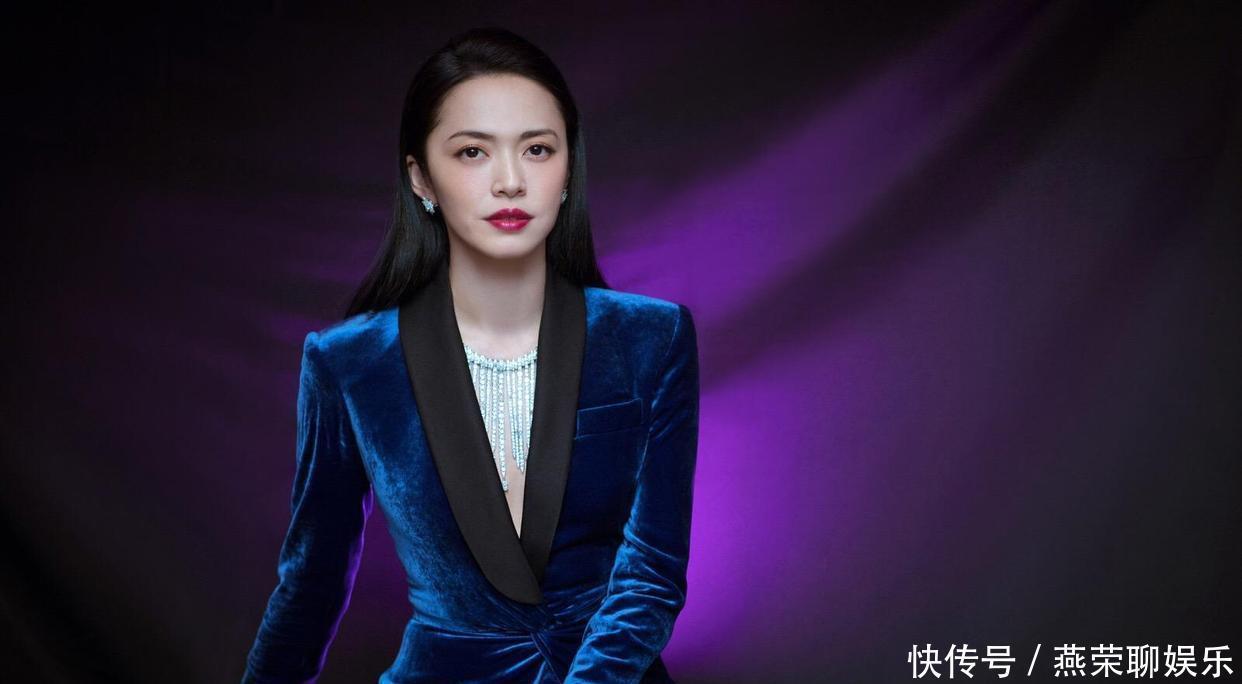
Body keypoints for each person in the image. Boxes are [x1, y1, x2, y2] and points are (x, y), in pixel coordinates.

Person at [241, 27, 700, 684]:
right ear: (421, 178)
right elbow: (310, 586)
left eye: (537, 149)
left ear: (568, 170)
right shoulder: (348, 363)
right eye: (473, 152)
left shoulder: (652, 337)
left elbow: (652, 573)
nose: (510, 182)